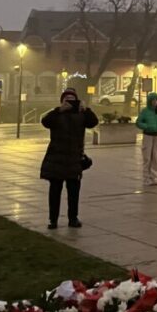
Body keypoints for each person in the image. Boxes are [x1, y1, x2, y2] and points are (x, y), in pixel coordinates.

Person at [40, 88, 98, 229]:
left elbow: (93, 122)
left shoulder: (81, 114)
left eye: (73, 100)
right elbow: (45, 121)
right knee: (55, 192)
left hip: (74, 159)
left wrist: (86, 109)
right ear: (62, 101)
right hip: (56, 159)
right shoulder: (56, 114)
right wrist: (59, 110)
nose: (70, 103)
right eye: (67, 100)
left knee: (73, 193)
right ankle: (53, 220)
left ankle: (73, 218)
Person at [135, 92, 157, 186]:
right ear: (150, 101)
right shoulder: (145, 111)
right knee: (147, 157)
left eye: (156, 100)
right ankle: (146, 178)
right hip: (148, 136)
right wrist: (146, 126)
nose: (155, 102)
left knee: (156, 157)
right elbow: (138, 122)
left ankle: (154, 177)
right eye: (153, 100)